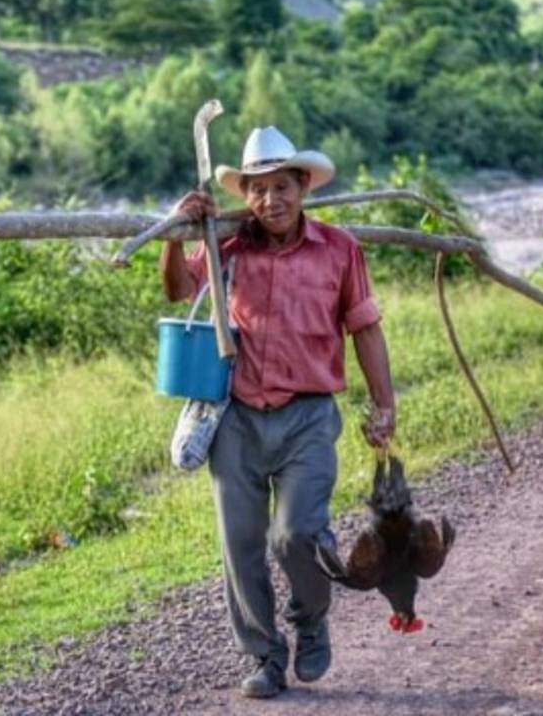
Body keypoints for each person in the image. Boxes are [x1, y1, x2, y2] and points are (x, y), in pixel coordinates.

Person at [160, 125, 395, 699]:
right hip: (236, 416)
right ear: (247, 195)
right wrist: (174, 232)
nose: (271, 201)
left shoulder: (339, 250)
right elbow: (175, 290)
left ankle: (311, 620)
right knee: (241, 545)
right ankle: (265, 655)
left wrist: (384, 403)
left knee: (296, 534)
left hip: (308, 417)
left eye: (281, 187)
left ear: (303, 186)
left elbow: (364, 328)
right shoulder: (229, 245)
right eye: (258, 190)